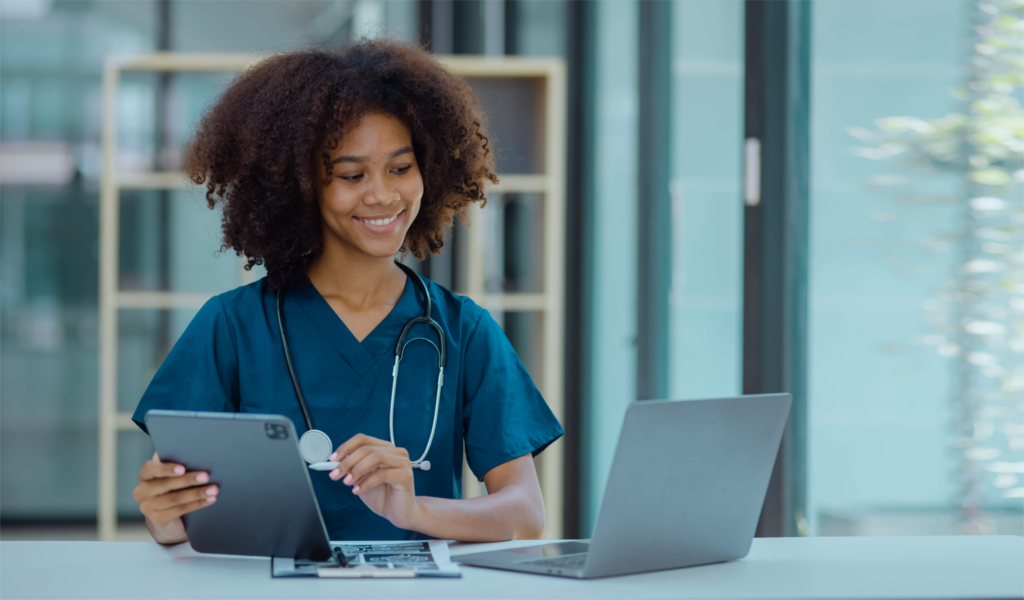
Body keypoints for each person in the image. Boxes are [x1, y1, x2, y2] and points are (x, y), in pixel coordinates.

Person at [129, 39, 563, 544]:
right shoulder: (231, 326)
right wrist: (162, 515)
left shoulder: (463, 330)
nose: (382, 194)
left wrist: (414, 510)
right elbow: (178, 521)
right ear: (300, 187)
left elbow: (526, 515)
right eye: (352, 175)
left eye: (400, 168)